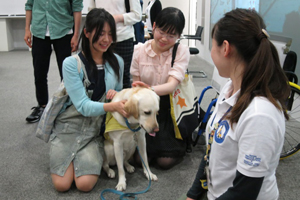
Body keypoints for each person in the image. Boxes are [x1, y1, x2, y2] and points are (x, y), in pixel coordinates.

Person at [186, 8, 290, 200]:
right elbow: (212, 148)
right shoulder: (229, 89)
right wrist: (193, 194)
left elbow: (244, 193)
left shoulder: (260, 114)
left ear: (225, 48)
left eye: (212, 46)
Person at [49, 8, 128, 192]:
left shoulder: (118, 61)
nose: (106, 39)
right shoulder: (71, 64)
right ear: (87, 32)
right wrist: (111, 105)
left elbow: (119, 93)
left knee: (84, 185)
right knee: (62, 185)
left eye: (110, 34)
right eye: (100, 33)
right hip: (68, 127)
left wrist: (119, 95)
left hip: (94, 131)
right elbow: (83, 106)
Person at [131, 7, 190, 169]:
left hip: (169, 108)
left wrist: (147, 90)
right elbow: (135, 85)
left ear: (178, 36)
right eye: (162, 32)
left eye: (171, 36)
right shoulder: (139, 51)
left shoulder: (181, 51)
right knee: (138, 160)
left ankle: (181, 144)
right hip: (146, 107)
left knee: (164, 162)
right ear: (154, 26)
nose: (164, 39)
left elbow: (171, 86)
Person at [24, 0, 83, 123]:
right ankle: (42, 106)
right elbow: (29, 5)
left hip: (63, 30)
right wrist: (26, 29)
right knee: (39, 72)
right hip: (39, 31)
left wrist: (76, 35)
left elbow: (77, 8)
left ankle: (68, 105)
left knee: (66, 74)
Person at [89, 0, 142, 89]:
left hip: (122, 37)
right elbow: (92, 12)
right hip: (99, 38)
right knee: (98, 75)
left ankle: (121, 102)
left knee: (123, 78)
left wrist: (116, 18)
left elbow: (137, 15)